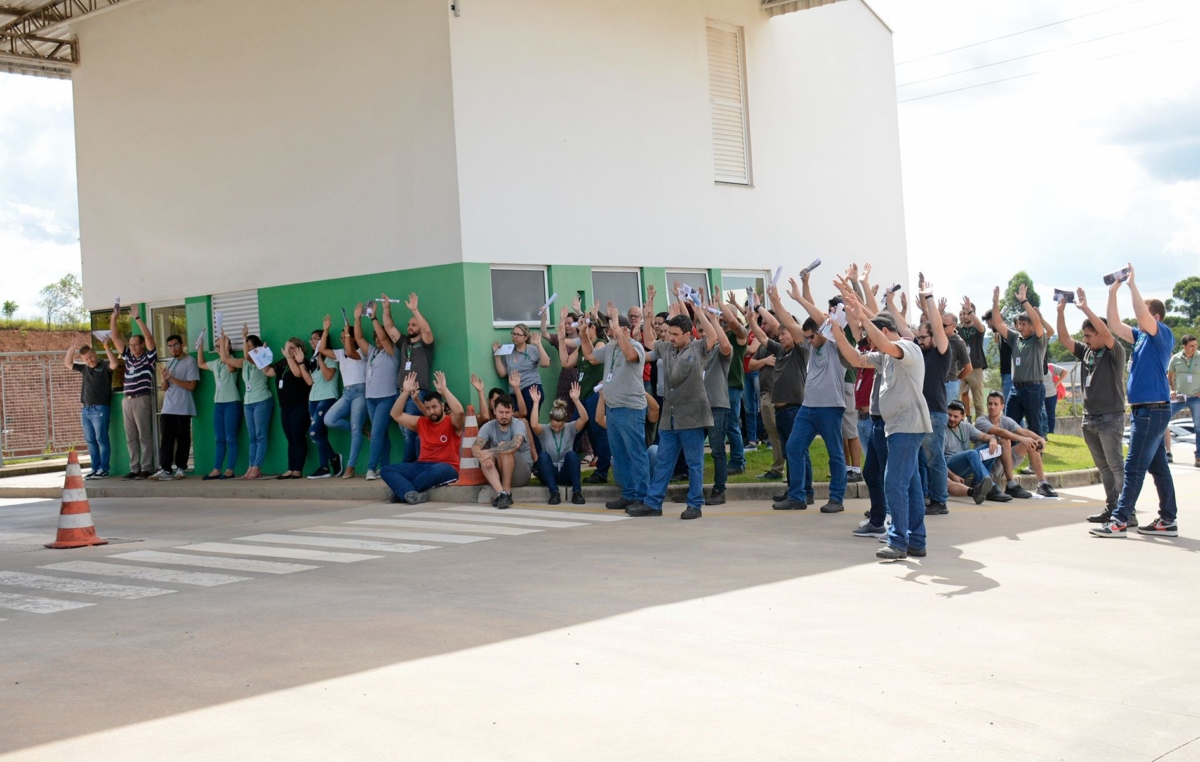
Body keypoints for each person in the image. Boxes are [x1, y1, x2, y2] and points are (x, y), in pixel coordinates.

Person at [828, 281, 931, 561]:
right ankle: (917, 541)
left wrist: (862, 315)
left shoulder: (906, 348)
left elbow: (883, 342)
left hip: (907, 426)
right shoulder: (885, 356)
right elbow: (855, 359)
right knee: (908, 485)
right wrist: (837, 332)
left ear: (885, 331)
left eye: (874, 335)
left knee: (894, 482)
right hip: (897, 426)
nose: (871, 342)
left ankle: (898, 541)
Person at [1092, 265, 1178, 538]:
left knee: (1133, 466)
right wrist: (1113, 291)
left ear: (1155, 316)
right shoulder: (1140, 338)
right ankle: (1168, 520)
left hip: (1152, 411)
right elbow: (1114, 324)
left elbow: (1142, 312)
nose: (1138, 316)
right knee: (1157, 466)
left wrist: (1132, 285)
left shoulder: (1161, 334)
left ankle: (1118, 521)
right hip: (1146, 411)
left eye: (1143, 311)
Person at [629, 290, 715, 520]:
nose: (671, 337)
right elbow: (648, 341)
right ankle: (653, 503)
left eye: (676, 334)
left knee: (694, 464)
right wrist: (647, 317)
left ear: (688, 334)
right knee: (664, 461)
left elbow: (714, 337)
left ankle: (695, 504)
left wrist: (699, 312)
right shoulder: (667, 348)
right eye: (670, 333)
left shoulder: (698, 348)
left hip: (693, 416)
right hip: (670, 415)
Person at [771, 276, 848, 514]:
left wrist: (800, 298)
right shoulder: (809, 343)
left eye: (812, 337)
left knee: (835, 453)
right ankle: (797, 496)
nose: (809, 342)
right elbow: (788, 324)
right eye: (807, 338)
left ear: (823, 332)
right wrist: (776, 303)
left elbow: (819, 319)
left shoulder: (836, 343)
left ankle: (836, 498)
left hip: (830, 407)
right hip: (808, 407)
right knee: (793, 447)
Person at [1057, 289, 1128, 523]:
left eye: (1089, 335)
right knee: (1104, 468)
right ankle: (1112, 508)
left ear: (1101, 334)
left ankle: (1127, 512)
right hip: (1090, 418)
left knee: (1116, 465)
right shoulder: (1087, 351)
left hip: (1110, 417)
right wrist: (1061, 313)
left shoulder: (1114, 351)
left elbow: (1109, 334)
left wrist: (1086, 308)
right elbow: (1065, 340)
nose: (1085, 339)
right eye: (1085, 335)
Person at [581, 302, 650, 511]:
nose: (609, 333)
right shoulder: (610, 347)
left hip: (630, 409)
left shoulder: (635, 347)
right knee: (619, 456)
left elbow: (630, 356)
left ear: (625, 330)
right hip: (613, 409)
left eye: (613, 328)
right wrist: (583, 334)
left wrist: (620, 331)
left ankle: (643, 496)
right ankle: (628, 494)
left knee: (636, 453)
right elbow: (591, 357)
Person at [748, 293, 812, 504]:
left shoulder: (800, 351)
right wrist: (751, 321)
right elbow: (763, 338)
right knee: (789, 452)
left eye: (784, 334)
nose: (781, 337)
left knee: (798, 451)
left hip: (794, 409)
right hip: (781, 410)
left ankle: (805, 492)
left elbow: (782, 324)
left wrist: (766, 306)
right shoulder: (780, 350)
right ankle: (795, 489)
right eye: (781, 335)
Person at [382, 371, 464, 504]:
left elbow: (460, 411)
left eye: (435, 407)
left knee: (436, 471)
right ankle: (409, 493)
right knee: (387, 470)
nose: (432, 411)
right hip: (422, 466)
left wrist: (444, 390)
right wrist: (405, 392)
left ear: (442, 406)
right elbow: (395, 414)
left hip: (447, 467)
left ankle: (402, 492)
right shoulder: (420, 422)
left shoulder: (452, 422)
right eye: (428, 408)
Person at [911, 280, 952, 516]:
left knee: (935, 458)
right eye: (918, 337)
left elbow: (936, 327)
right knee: (920, 459)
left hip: (935, 412)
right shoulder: (922, 353)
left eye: (923, 337)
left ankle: (940, 501)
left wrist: (929, 298)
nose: (919, 340)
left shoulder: (941, 352)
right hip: (919, 412)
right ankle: (927, 496)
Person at [382, 293, 435, 463]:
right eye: (409, 324)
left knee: (410, 433)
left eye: (414, 324)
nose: (410, 326)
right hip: (401, 392)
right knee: (405, 430)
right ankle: (414, 464)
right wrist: (386, 308)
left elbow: (427, 330)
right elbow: (389, 328)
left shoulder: (426, 344)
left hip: (417, 393)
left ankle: (407, 467)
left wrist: (415, 310)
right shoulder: (404, 342)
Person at [990, 284, 1048, 436]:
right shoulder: (1016, 338)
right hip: (1016, 389)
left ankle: (1036, 459)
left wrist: (1024, 301)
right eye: (1018, 324)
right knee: (1009, 425)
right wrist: (995, 302)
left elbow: (1037, 322)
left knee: (1034, 426)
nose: (1020, 327)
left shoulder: (1038, 339)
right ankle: (1012, 457)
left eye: (1024, 324)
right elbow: (998, 324)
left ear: (1031, 326)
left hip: (1033, 388)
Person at [976, 391, 1057, 498]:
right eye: (990, 404)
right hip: (989, 464)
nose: (992, 407)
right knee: (1006, 441)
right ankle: (1010, 484)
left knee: (1031, 443)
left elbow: (1023, 431)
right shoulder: (981, 420)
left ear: (1002, 406)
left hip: (1005, 463)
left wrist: (1039, 438)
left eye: (996, 404)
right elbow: (1001, 432)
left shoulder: (1006, 420)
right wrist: (1022, 439)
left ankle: (1042, 484)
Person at [695, 291, 735, 506]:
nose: (703, 334)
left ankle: (719, 490)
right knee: (694, 451)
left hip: (717, 406)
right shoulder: (697, 350)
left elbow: (727, 346)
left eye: (706, 331)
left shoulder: (720, 350)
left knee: (718, 450)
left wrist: (712, 320)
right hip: (697, 407)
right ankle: (696, 489)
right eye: (700, 331)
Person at [111, 303, 157, 480]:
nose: (132, 348)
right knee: (131, 437)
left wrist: (137, 318)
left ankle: (146, 467)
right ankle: (135, 467)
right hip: (127, 400)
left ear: (142, 346)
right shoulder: (128, 357)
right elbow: (115, 339)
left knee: (144, 435)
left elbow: (149, 337)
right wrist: (114, 318)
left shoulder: (149, 357)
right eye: (130, 345)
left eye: (135, 345)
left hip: (141, 398)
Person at [64, 333, 117, 479]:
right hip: (86, 409)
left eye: (91, 357)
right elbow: (68, 363)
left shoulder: (104, 365)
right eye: (86, 359)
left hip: (100, 408)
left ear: (95, 353)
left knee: (101, 439)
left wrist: (106, 347)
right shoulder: (84, 368)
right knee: (90, 440)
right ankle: (95, 468)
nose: (90, 361)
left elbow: (114, 364)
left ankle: (104, 468)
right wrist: (73, 347)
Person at [358, 301, 400, 481]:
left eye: (379, 336)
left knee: (376, 433)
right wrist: (357, 318)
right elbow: (359, 339)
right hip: (371, 399)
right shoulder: (373, 352)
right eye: (374, 336)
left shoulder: (393, 351)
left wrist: (373, 317)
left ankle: (370, 468)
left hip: (386, 398)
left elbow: (385, 338)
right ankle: (386, 468)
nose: (377, 339)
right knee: (382, 434)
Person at [565, 315, 610, 484]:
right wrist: (562, 338)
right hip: (582, 395)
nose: (581, 328)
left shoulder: (599, 343)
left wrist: (583, 334)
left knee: (599, 433)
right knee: (573, 431)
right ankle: (565, 468)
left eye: (586, 326)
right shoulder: (582, 345)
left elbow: (593, 358)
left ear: (593, 328)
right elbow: (565, 362)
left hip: (594, 394)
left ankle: (602, 472)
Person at [224, 326, 273, 479]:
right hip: (248, 403)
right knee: (252, 436)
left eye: (250, 346)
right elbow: (226, 359)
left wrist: (244, 337)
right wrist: (224, 344)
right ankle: (251, 465)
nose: (248, 349)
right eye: (247, 346)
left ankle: (257, 466)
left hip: (262, 401)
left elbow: (249, 356)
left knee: (260, 435)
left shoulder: (262, 358)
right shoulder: (244, 363)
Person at [529, 383, 588, 505]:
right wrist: (535, 403)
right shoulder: (545, 430)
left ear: (565, 422)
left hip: (566, 472)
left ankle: (577, 492)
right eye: (554, 426)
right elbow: (534, 425)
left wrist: (576, 400)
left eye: (560, 426)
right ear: (550, 421)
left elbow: (584, 419)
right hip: (551, 472)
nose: (556, 429)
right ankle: (554, 493)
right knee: (543, 456)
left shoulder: (570, 428)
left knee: (572, 455)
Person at [322, 318, 367, 479]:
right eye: (341, 337)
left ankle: (351, 466)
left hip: (360, 392)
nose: (343, 339)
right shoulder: (340, 353)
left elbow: (350, 353)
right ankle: (360, 429)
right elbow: (323, 349)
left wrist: (348, 333)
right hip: (347, 393)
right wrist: (326, 331)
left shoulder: (361, 351)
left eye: (346, 336)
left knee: (355, 430)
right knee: (329, 419)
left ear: (353, 337)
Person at [473, 394, 534, 509]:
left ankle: (507, 491)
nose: (504, 416)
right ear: (494, 411)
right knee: (485, 457)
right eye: (501, 412)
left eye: (507, 412)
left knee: (503, 446)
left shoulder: (518, 424)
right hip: (501, 473)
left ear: (512, 412)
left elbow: (515, 444)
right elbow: (476, 446)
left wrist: (489, 451)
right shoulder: (488, 426)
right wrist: (481, 455)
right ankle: (502, 494)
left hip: (521, 474)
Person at [748, 307, 787, 480]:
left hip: (777, 396)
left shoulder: (781, 345)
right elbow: (750, 365)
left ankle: (783, 469)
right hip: (764, 395)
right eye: (761, 323)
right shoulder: (764, 347)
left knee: (780, 434)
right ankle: (777, 468)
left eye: (765, 323)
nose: (762, 326)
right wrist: (764, 361)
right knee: (772, 434)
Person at [153, 333, 200, 481]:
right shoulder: (170, 363)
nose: (173, 349)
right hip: (168, 407)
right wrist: (164, 379)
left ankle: (181, 468)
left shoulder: (190, 362)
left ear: (182, 344)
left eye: (175, 345)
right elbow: (165, 387)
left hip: (183, 408)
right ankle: (165, 469)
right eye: (170, 346)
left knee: (183, 439)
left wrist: (171, 378)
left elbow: (191, 385)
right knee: (167, 439)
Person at [197, 333, 241, 480]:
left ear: (228, 346)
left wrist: (225, 350)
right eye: (216, 345)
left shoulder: (233, 361)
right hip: (218, 404)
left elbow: (231, 370)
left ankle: (230, 469)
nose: (218, 348)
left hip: (232, 403)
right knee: (219, 438)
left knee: (230, 438)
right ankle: (216, 468)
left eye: (221, 344)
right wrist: (200, 347)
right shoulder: (215, 363)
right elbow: (201, 364)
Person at [494, 322, 549, 428]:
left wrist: (538, 344)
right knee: (517, 421)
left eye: (518, 335)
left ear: (526, 337)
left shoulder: (532, 349)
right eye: (513, 334)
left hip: (531, 387)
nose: (514, 336)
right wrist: (497, 356)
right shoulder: (508, 350)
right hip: (514, 391)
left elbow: (546, 363)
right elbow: (502, 373)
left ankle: (535, 444)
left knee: (530, 420)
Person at [942, 401, 997, 504]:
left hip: (964, 463)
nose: (951, 419)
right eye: (949, 415)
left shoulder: (966, 426)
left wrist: (992, 439)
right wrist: (953, 476)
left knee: (991, 448)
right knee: (971, 453)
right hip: (949, 465)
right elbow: (938, 459)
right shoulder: (942, 429)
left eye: (955, 416)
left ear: (962, 416)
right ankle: (992, 490)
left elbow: (984, 436)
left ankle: (978, 483)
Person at [307, 317, 342, 479]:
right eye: (311, 339)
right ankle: (324, 467)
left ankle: (334, 458)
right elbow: (309, 381)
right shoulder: (312, 360)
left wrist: (320, 357)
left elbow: (328, 376)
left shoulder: (331, 357)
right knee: (320, 433)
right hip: (313, 399)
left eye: (315, 339)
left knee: (314, 433)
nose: (312, 342)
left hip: (327, 398)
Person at [273, 338, 313, 479]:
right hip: (285, 407)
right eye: (287, 347)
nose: (289, 351)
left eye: (292, 348)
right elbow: (267, 371)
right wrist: (258, 353)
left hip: (299, 406)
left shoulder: (303, 362)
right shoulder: (281, 363)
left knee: (298, 436)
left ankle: (298, 469)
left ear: (299, 349)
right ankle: (290, 468)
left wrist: (290, 357)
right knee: (290, 438)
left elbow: (297, 373)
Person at [1168, 334, 1199, 469]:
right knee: (1162, 420)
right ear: (1184, 347)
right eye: (1191, 346)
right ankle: (1165, 453)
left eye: (1195, 345)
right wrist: (1171, 390)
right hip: (1179, 397)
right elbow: (1170, 376)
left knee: (1198, 427)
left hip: (1196, 397)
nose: (1194, 348)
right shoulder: (1175, 359)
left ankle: (1198, 456)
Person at [958, 298, 990, 419]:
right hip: (960, 368)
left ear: (973, 313)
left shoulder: (977, 329)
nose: (965, 316)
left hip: (976, 368)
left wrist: (970, 311)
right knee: (954, 398)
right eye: (963, 313)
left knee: (978, 402)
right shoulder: (958, 329)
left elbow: (982, 328)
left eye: (968, 313)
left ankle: (982, 429)